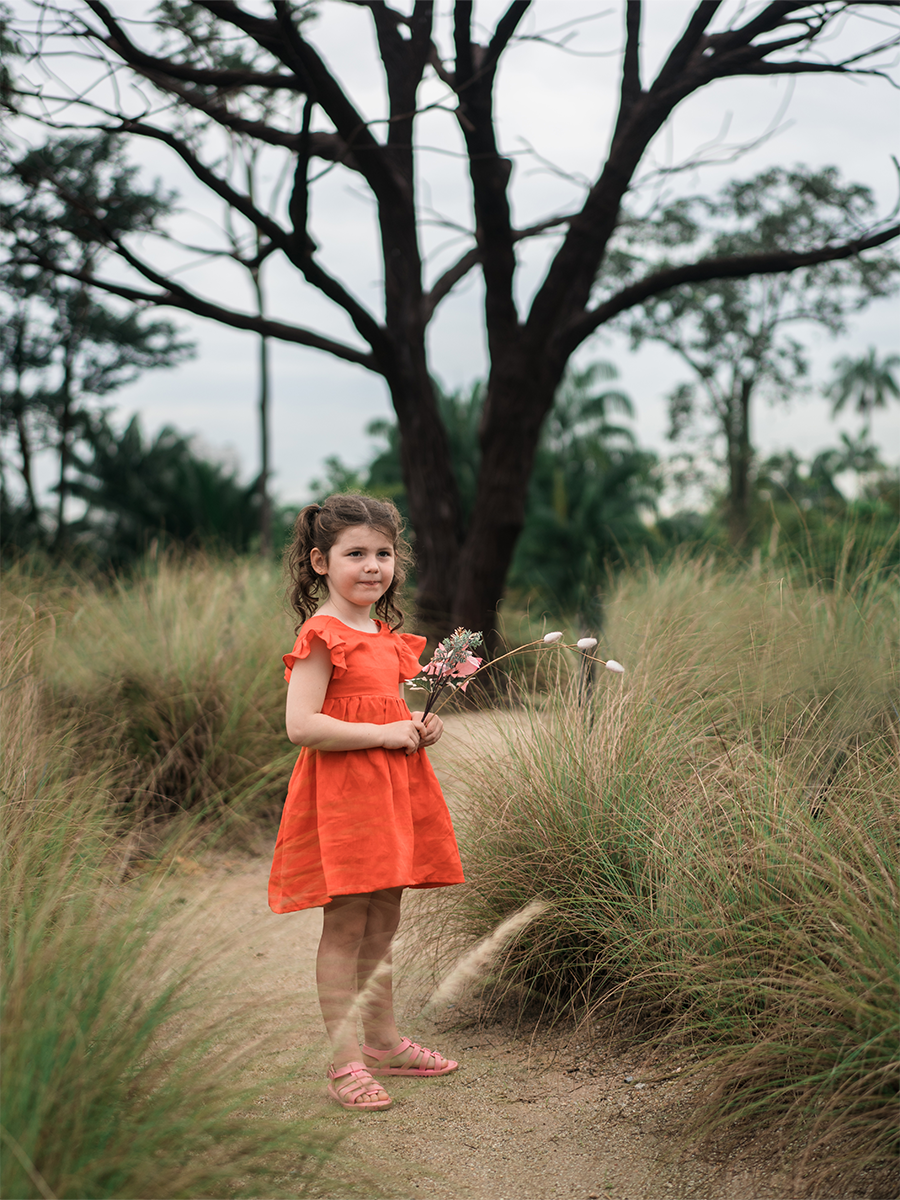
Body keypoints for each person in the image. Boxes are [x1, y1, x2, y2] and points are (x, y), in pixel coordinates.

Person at [269, 493, 465, 1111]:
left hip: (391, 791)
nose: (372, 566)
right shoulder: (322, 635)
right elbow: (303, 725)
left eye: (383, 553)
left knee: (385, 917)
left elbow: (376, 708)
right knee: (347, 924)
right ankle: (344, 1060)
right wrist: (384, 732)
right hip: (345, 800)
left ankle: (383, 1042)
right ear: (321, 562)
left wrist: (412, 723)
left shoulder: (384, 637)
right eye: (355, 554)